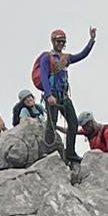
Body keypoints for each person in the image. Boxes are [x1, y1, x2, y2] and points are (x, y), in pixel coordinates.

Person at [34, 25, 96, 164]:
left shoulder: (65, 58)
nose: (61, 44)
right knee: (52, 123)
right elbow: (44, 76)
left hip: (63, 94)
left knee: (73, 122)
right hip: (53, 94)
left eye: (63, 41)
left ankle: (70, 152)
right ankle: (47, 152)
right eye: (58, 41)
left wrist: (91, 41)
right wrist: (49, 94)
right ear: (53, 41)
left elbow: (82, 55)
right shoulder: (47, 57)